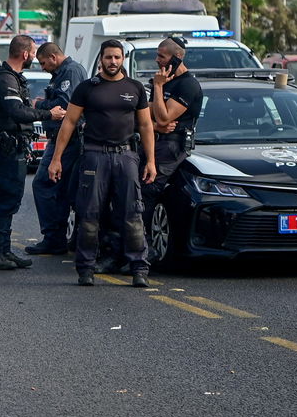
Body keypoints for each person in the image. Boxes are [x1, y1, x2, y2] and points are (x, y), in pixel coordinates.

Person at [47, 39, 157, 287]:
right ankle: (85, 269)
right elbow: (69, 123)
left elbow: (146, 126)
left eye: (117, 57)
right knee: (89, 215)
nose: (113, 62)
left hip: (126, 157)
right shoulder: (87, 88)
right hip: (94, 156)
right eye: (108, 57)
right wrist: (56, 159)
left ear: (122, 59)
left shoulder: (135, 88)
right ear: (101, 59)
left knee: (133, 214)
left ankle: (139, 268)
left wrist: (150, 161)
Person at [0, 34, 65, 270]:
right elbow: (17, 111)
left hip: (10, 144)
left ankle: (4, 250)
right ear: (25, 53)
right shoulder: (7, 80)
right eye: (33, 52)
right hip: (9, 146)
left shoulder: (6, 77)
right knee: (6, 201)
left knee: (10, 200)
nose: (34, 58)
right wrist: (49, 114)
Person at [27, 42, 86, 254]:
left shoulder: (70, 72)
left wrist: (39, 105)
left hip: (68, 138)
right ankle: (59, 238)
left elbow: (64, 107)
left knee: (43, 183)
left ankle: (53, 236)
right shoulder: (63, 73)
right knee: (60, 189)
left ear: (53, 57)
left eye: (43, 63)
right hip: (63, 137)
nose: (42, 67)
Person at [142, 36, 203, 216]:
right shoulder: (161, 79)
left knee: (148, 187)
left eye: (162, 56)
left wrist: (159, 87)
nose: (157, 60)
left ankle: (144, 239)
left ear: (177, 58)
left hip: (172, 145)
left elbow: (164, 118)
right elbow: (149, 114)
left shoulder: (188, 85)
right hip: (153, 140)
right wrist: (153, 125)